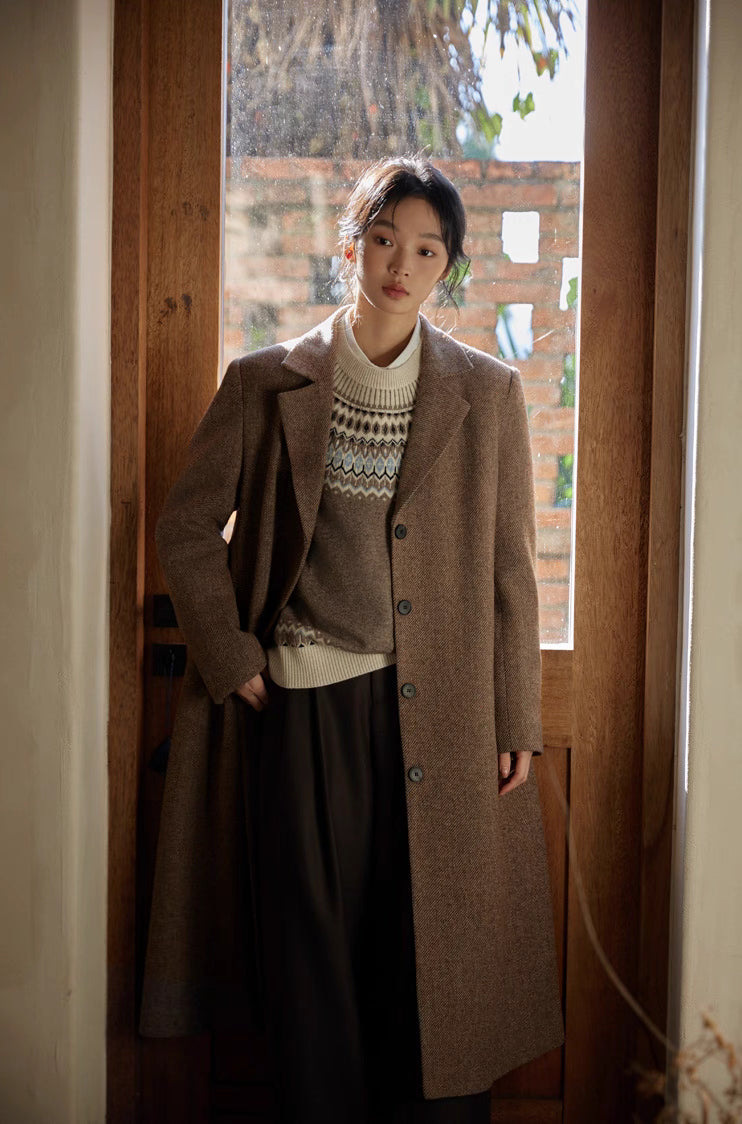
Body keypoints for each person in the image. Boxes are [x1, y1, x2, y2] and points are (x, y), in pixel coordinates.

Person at [140, 154, 565, 1123]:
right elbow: (183, 528)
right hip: (301, 708)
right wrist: (234, 658)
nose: (400, 264)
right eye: (384, 240)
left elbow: (511, 569)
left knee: (433, 965)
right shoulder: (264, 383)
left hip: (446, 721)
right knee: (310, 966)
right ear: (352, 246)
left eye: (425, 249)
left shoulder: (488, 394)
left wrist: (519, 715)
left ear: (446, 268)